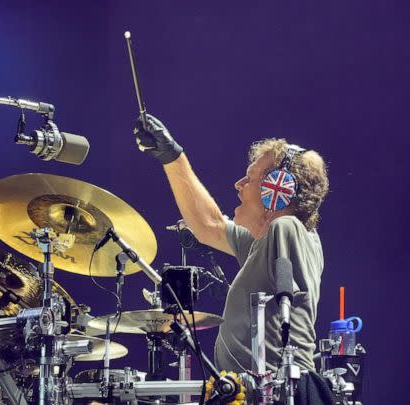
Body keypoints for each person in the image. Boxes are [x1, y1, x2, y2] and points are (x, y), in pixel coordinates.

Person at [133, 114, 330, 377]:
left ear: (278, 188)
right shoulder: (269, 240)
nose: (238, 185)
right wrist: (172, 157)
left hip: (272, 394)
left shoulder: (287, 229)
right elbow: (208, 225)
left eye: (250, 179)